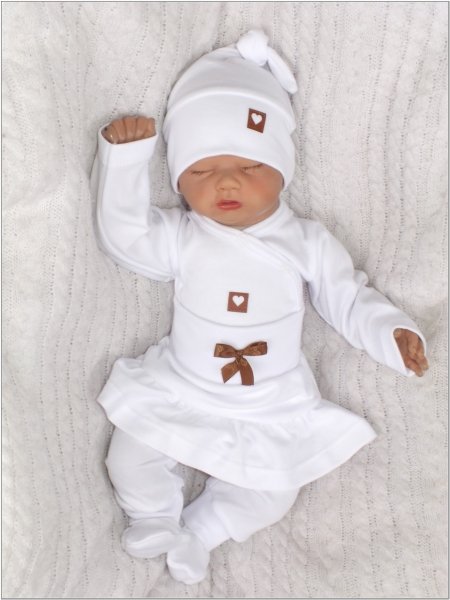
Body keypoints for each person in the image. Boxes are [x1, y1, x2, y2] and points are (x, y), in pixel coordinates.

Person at [91, 30, 429, 585]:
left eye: (249, 167)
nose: (226, 182)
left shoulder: (307, 241)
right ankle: (153, 516)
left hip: (270, 400)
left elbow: (346, 296)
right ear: (179, 181)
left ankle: (201, 531)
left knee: (275, 490)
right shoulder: (184, 235)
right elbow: (126, 237)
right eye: (201, 171)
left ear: (281, 169)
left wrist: (390, 332)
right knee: (128, 453)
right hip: (183, 384)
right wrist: (126, 162)